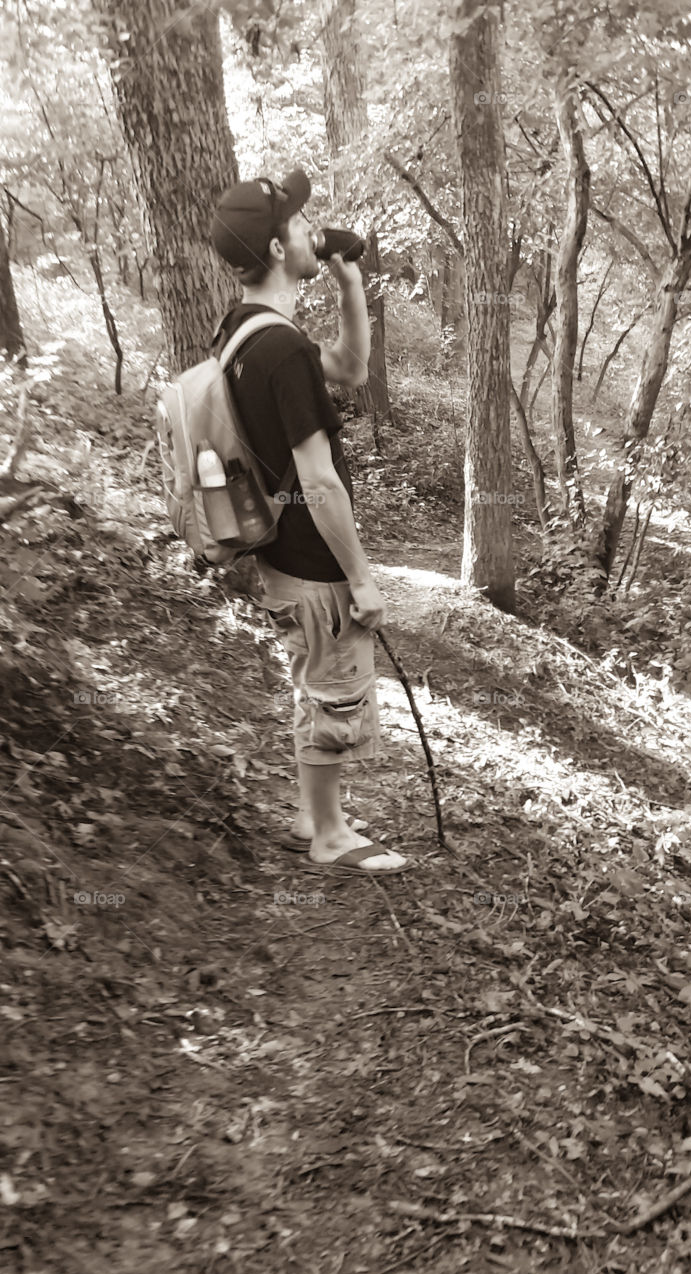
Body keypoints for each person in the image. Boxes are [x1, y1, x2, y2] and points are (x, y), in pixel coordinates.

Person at [209, 168, 409, 876]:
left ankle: (311, 816)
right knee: (333, 691)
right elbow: (320, 482)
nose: (308, 230)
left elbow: (351, 369)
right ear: (272, 246)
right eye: (296, 224)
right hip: (313, 559)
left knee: (313, 682)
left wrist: (349, 281)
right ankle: (328, 834)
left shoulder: (246, 334)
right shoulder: (283, 351)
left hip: (280, 554)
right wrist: (363, 579)